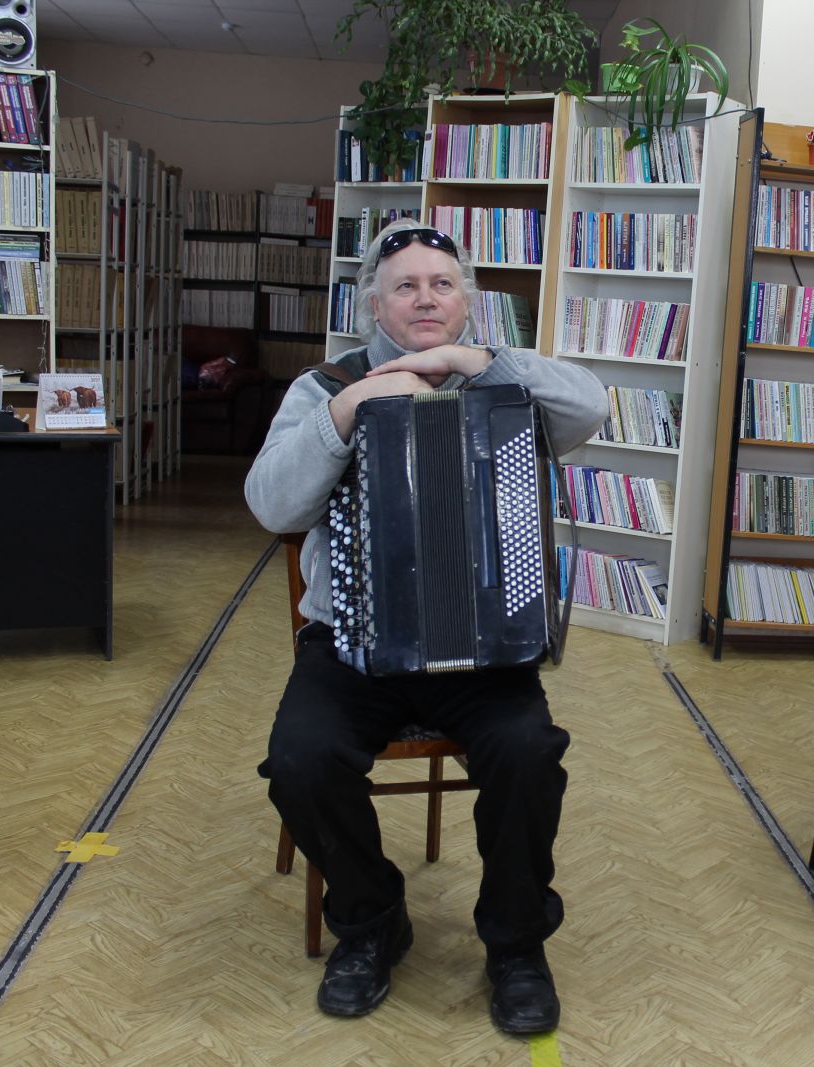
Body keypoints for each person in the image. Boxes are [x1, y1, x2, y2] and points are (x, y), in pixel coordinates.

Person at [246, 221, 608, 1033]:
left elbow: (591, 405)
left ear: (466, 302)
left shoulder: (500, 378)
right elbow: (271, 505)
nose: (424, 299)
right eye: (405, 285)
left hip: (484, 650)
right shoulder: (325, 386)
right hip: (352, 647)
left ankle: (516, 943)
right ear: (374, 304)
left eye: (442, 284)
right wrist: (349, 408)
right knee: (300, 760)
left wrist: (476, 362)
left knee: (528, 752)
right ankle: (371, 921)